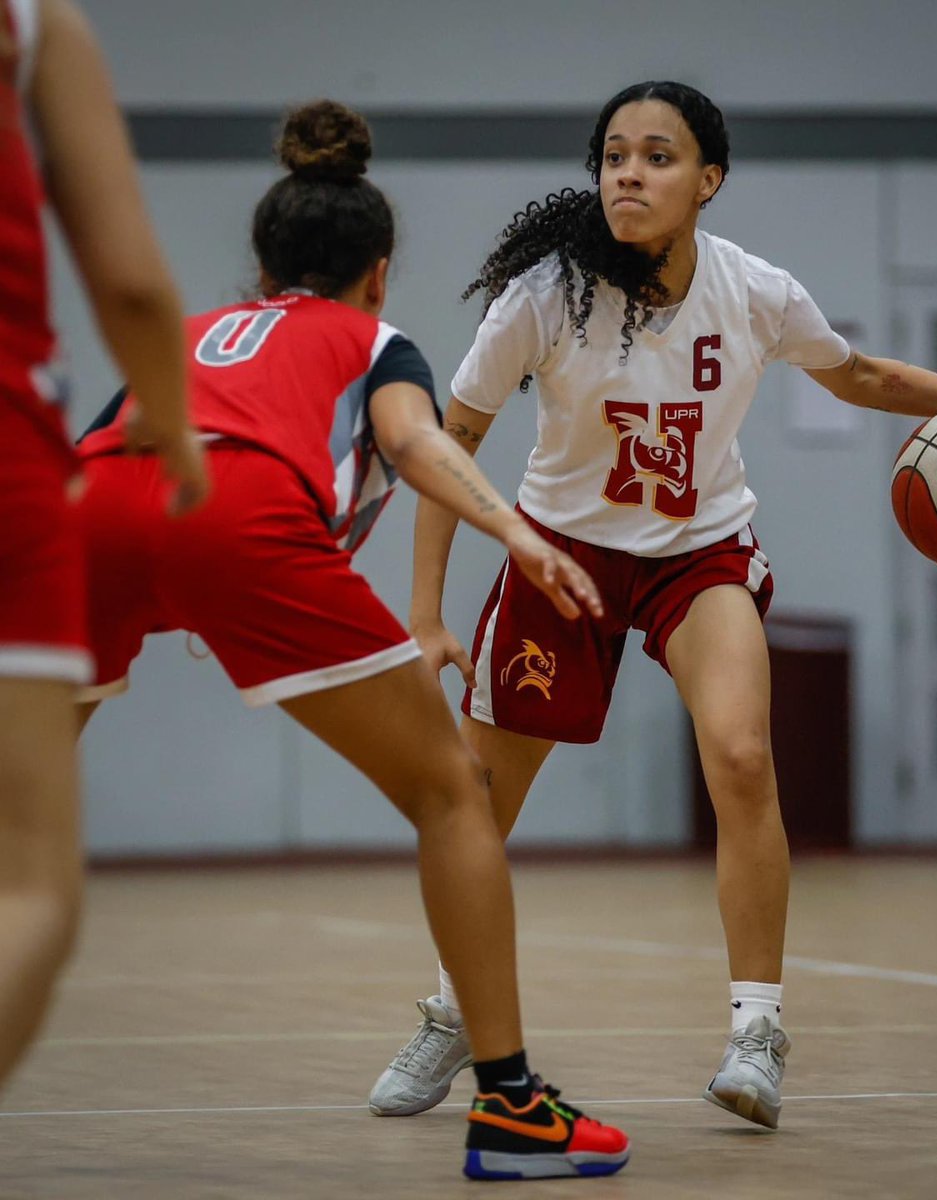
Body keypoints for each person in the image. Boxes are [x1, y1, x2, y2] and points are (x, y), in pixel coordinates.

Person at [369, 79, 937, 1131]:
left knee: (743, 758)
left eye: (656, 156)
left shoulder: (753, 290)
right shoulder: (545, 296)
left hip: (699, 555)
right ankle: (452, 1012)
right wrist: (426, 611)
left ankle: (758, 1032)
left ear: (709, 181)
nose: (628, 174)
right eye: (613, 155)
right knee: (479, 803)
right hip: (560, 554)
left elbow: (864, 377)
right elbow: (446, 444)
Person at [75, 99, 629, 1181]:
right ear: (377, 270)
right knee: (451, 796)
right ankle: (512, 1105)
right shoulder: (373, 341)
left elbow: (113, 452)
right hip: (239, 516)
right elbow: (415, 444)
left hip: (82, 505)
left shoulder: (191, 336)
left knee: (18, 812)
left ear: (262, 259)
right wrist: (516, 529)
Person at [0, 0, 207, 1089]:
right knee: (27, 889)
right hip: (9, 452)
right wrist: (172, 429)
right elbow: (129, 282)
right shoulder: (36, 27)